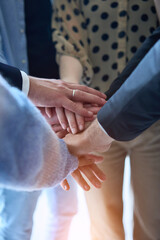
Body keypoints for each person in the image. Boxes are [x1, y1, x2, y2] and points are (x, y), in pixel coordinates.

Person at [52, 1, 160, 239]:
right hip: (91, 115)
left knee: (153, 219)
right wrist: (72, 98)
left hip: (152, 117)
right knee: (104, 223)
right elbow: (70, 39)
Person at [0, 1, 106, 240]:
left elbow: (73, 37)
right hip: (21, 113)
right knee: (19, 221)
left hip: (62, 113)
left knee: (65, 210)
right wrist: (29, 90)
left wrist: (69, 103)